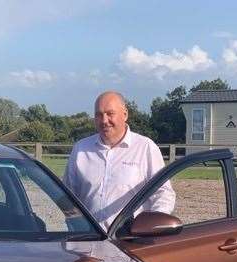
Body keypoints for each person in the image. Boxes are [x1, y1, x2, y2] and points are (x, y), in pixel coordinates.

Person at [62, 91, 175, 230]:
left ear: (125, 114)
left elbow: (163, 193)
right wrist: (76, 224)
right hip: (89, 240)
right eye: (99, 114)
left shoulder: (145, 148)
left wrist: (152, 225)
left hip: (130, 240)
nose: (104, 120)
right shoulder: (80, 149)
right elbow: (67, 195)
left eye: (110, 113)